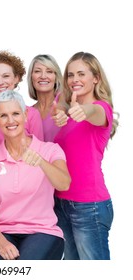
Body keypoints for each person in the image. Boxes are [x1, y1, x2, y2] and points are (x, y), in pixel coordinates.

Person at [0, 90, 71, 260]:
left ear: (26, 115)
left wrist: (41, 162)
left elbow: (64, 183)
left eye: (15, 113)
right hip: (4, 232)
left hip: (43, 231)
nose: (10, 120)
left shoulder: (50, 150)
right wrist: (0, 240)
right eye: (4, 116)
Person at [53, 52, 119, 260]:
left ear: (96, 77)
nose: (75, 79)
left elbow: (95, 112)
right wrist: (62, 111)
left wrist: (84, 109)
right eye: (70, 75)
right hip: (61, 203)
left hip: (89, 206)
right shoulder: (68, 111)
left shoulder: (101, 109)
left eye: (81, 74)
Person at [0, 50, 44, 156]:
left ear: (16, 78)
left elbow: (38, 152)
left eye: (6, 76)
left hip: (25, 170)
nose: (0, 82)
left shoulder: (31, 113)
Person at [27, 54, 67, 142]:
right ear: (31, 76)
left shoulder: (64, 100)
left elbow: (63, 105)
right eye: (37, 71)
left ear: (56, 76)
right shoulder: (28, 112)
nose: (43, 76)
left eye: (49, 71)